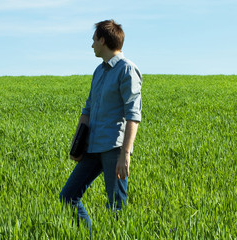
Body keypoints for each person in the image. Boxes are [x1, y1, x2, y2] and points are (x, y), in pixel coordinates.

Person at [59, 19, 142, 234]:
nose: (92, 45)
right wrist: (77, 145)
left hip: (114, 149)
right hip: (92, 147)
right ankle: (90, 235)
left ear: (103, 40)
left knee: (116, 207)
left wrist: (126, 153)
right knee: (68, 196)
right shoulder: (99, 71)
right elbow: (87, 110)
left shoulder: (127, 70)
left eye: (94, 40)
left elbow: (133, 115)